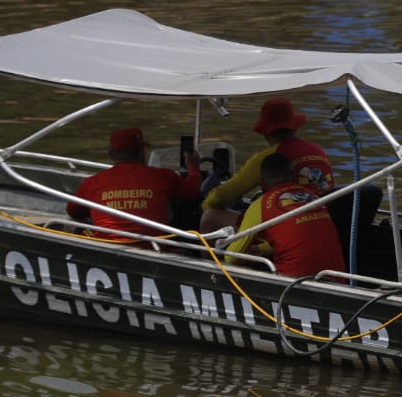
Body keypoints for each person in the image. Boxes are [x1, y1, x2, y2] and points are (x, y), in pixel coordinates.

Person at [199, 97, 335, 233]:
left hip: (287, 227)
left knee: (210, 217)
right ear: (294, 127)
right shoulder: (319, 151)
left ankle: (207, 254)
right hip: (325, 223)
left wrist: (205, 204)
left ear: (266, 132)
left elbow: (221, 197)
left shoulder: (268, 158)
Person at [226, 153, 346, 279]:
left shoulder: (260, 204)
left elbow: (232, 257)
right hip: (337, 280)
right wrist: (262, 249)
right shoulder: (314, 197)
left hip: (293, 284)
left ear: (262, 183)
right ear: (294, 176)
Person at [69, 127, 202, 239]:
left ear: (111, 154)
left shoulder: (92, 182)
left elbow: (73, 211)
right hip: (153, 249)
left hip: (107, 246)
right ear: (141, 152)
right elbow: (192, 191)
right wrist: (193, 167)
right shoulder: (163, 176)